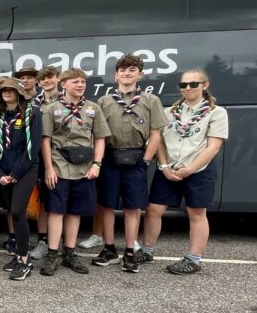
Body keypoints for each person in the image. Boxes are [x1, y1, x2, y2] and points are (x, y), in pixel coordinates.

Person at [142, 70, 229, 275]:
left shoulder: (216, 113)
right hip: (169, 168)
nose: (188, 88)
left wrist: (189, 169)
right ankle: (146, 251)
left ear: (205, 85)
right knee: (153, 209)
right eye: (183, 85)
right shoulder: (169, 112)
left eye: (193, 84)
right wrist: (163, 166)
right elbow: (159, 140)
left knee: (196, 213)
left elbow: (213, 147)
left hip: (199, 170)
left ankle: (193, 258)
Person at [94, 55, 168, 273]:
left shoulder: (150, 100)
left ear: (140, 74)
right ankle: (108, 248)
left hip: (136, 158)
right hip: (110, 157)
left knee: (132, 207)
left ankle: (129, 252)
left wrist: (146, 160)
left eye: (132, 70)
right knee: (106, 205)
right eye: (123, 70)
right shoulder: (104, 101)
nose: (127, 73)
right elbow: (98, 134)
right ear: (116, 75)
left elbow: (156, 134)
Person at [40, 68, 110, 276]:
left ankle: (69, 253)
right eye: (75, 82)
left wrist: (97, 164)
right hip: (59, 166)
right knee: (56, 211)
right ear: (64, 84)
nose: (80, 85)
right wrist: (49, 168)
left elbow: (100, 138)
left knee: (75, 211)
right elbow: (46, 139)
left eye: (82, 82)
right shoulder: (52, 109)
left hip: (84, 168)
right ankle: (52, 254)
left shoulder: (93, 108)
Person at [0, 76, 44, 279]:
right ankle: (19, 254)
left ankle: (24, 260)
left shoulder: (33, 113)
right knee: (12, 211)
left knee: (19, 211)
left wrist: (14, 174)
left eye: (11, 90)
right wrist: (0, 174)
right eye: (3, 90)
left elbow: (32, 149)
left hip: (25, 171)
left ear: (19, 93)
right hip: (4, 174)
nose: (7, 93)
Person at [30, 66, 62, 261]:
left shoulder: (68, 102)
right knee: (42, 200)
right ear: (39, 83)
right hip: (40, 157)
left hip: (63, 158)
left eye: (50, 77)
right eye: (43, 79)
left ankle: (63, 245)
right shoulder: (34, 104)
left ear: (58, 79)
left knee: (60, 201)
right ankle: (43, 241)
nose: (47, 81)